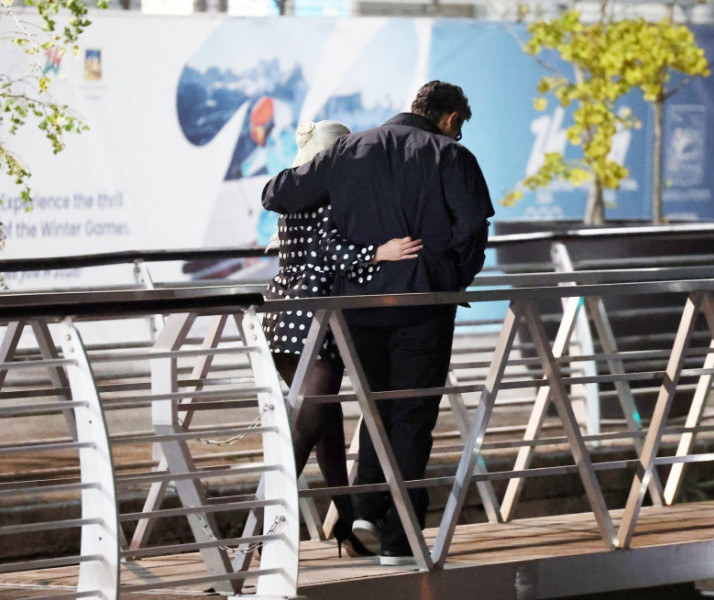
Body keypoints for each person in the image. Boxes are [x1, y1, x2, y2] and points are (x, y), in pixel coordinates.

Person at [262, 81, 494, 565]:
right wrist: (448, 276)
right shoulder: (452, 157)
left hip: (358, 309)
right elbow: (472, 230)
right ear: (451, 119)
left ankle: (367, 510)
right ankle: (399, 537)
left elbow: (277, 194)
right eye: (459, 128)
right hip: (423, 305)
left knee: (377, 410)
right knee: (412, 417)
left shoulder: (350, 149)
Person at [262, 119, 423, 558]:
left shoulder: (292, 195)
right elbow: (335, 252)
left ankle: (346, 528)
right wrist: (380, 253)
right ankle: (266, 527)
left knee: (326, 429)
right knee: (310, 424)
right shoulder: (329, 197)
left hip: (283, 316)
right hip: (317, 320)